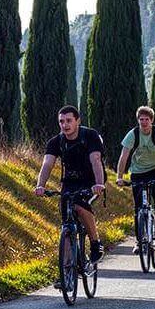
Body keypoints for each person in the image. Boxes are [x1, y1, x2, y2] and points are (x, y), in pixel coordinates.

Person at [35, 105, 106, 264]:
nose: (65, 125)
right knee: (66, 221)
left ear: (77, 121)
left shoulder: (90, 136)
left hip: (91, 180)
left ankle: (95, 243)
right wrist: (40, 185)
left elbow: (95, 160)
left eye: (68, 121)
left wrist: (99, 184)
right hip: (70, 182)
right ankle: (68, 268)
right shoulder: (56, 142)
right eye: (61, 122)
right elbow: (47, 164)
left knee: (80, 206)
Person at [116, 106, 155, 252]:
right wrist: (119, 177)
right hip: (137, 172)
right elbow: (124, 156)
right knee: (138, 206)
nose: (144, 122)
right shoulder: (133, 134)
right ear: (138, 120)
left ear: (151, 120)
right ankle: (139, 241)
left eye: (147, 119)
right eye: (141, 119)